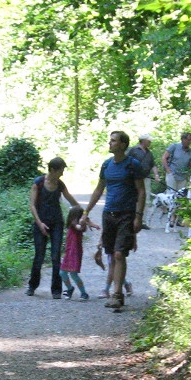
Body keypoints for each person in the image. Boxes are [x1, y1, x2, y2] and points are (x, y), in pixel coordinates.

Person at [80, 130, 146, 310]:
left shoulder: (132, 165)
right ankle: (116, 291)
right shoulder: (106, 165)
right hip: (109, 214)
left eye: (114, 141)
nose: (110, 143)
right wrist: (86, 212)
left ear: (123, 145)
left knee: (119, 254)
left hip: (127, 214)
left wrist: (138, 216)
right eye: (110, 140)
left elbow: (141, 191)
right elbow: (99, 189)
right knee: (111, 253)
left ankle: (117, 294)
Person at [28, 157, 80, 299]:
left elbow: (72, 202)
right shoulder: (38, 183)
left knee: (56, 256)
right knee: (39, 255)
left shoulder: (60, 185)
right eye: (61, 170)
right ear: (52, 170)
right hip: (41, 222)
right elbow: (32, 205)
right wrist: (39, 224)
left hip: (56, 223)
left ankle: (56, 290)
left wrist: (84, 214)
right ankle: (32, 286)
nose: (62, 174)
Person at [60, 206, 97, 301]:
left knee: (73, 274)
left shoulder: (78, 226)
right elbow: (78, 226)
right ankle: (69, 288)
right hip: (69, 252)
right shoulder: (72, 224)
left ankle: (84, 293)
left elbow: (80, 227)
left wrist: (85, 222)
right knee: (62, 272)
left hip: (75, 252)